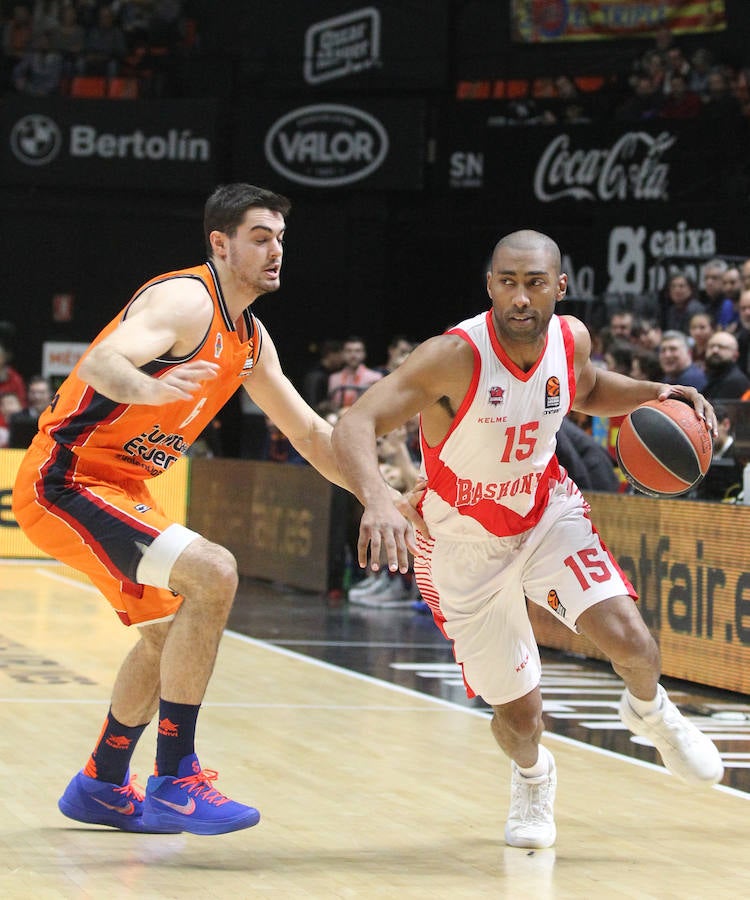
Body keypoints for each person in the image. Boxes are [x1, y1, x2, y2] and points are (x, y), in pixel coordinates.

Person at [11, 183, 410, 837]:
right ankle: (175, 777)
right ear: (220, 244)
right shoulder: (185, 301)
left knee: (168, 636)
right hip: (67, 480)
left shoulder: (250, 338)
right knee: (215, 571)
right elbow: (101, 361)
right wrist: (150, 385)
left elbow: (311, 436)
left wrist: (380, 497)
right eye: (260, 237)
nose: (276, 250)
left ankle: (101, 783)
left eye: (281, 237)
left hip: (122, 489)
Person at [331, 229, 723, 849]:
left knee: (634, 643)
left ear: (559, 288)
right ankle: (533, 776)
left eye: (535, 283)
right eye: (507, 282)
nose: (520, 297)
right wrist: (378, 497)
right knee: (520, 719)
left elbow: (588, 390)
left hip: (545, 515)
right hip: (461, 546)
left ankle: (651, 713)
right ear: (489, 285)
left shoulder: (571, 339)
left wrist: (655, 393)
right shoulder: (452, 356)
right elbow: (356, 420)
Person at [326, 336, 382, 414]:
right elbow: (332, 406)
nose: (353, 355)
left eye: (357, 351)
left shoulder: (375, 377)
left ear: (364, 354)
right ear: (342, 354)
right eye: (349, 351)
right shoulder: (334, 378)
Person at [8, 373, 52, 448]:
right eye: (33, 392)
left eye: (41, 393)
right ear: (28, 394)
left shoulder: (57, 418)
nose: (37, 397)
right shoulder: (17, 418)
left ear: (50, 394)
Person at [702, 331, 750, 400]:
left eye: (722, 347)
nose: (715, 350)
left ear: (735, 355)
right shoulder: (712, 375)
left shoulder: (735, 381)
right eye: (711, 346)